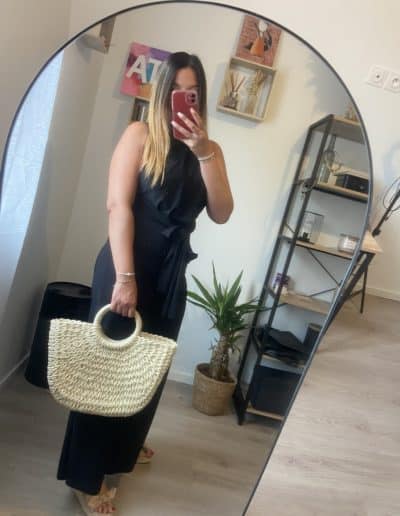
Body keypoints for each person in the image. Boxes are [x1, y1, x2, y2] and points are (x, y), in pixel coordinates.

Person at [57, 51, 233, 515]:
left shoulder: (210, 150)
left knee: (146, 374)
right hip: (126, 266)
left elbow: (221, 212)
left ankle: (123, 451)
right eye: (177, 91)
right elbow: (118, 206)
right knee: (105, 373)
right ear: (162, 95)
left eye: (193, 92)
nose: (185, 99)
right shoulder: (139, 134)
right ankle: (86, 479)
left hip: (171, 277)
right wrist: (125, 278)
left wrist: (203, 151)